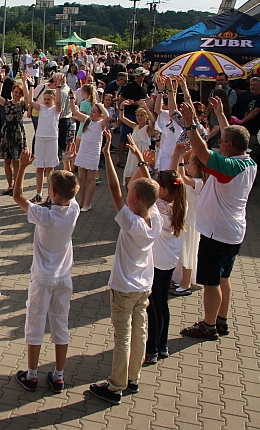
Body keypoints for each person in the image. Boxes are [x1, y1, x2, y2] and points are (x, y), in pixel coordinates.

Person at [90, 130, 161, 405]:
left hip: (124, 288)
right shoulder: (154, 217)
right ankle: (133, 377)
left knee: (123, 337)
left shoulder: (131, 222)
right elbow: (150, 187)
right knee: (139, 331)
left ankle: (116, 385)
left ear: (133, 200)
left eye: (131, 188)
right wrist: (141, 159)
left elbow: (113, 188)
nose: (128, 187)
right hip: (144, 286)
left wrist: (107, 153)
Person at [179, 98, 256, 340]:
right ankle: (221, 320)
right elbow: (228, 137)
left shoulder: (228, 167)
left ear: (230, 145)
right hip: (233, 232)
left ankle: (209, 325)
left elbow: (201, 153)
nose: (219, 144)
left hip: (216, 233)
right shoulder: (248, 161)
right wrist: (222, 115)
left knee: (211, 283)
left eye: (222, 142)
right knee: (224, 278)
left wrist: (190, 124)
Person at [12, 148, 80, 393]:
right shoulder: (74, 210)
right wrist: (67, 164)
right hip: (63, 277)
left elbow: (18, 196)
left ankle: (31, 375)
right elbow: (69, 191)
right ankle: (59, 375)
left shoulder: (44, 215)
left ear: (51, 192)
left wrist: (22, 167)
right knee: (60, 324)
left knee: (35, 322)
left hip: (42, 278)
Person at [143, 152, 187, 365]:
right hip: (168, 261)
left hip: (157, 263)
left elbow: (147, 190)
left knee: (154, 308)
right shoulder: (179, 204)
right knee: (163, 305)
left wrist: (144, 164)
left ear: (163, 189)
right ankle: (163, 345)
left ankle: (152, 349)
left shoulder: (158, 208)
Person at [170, 146, 208, 296]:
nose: (186, 167)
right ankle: (180, 279)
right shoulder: (197, 180)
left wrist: (180, 158)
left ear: (194, 166)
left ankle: (186, 284)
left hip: (192, 221)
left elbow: (182, 179)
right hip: (188, 218)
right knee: (183, 250)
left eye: (188, 164)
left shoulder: (199, 182)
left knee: (188, 251)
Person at [23, 73, 60, 204]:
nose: (46, 101)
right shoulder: (41, 108)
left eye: (49, 99)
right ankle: (39, 193)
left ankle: (51, 195)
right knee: (39, 168)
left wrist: (59, 87)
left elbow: (60, 102)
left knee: (50, 169)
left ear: (54, 100)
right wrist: (30, 85)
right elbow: (29, 101)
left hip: (51, 140)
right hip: (40, 140)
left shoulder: (56, 109)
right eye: (44, 99)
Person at [70, 100, 109, 212]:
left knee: (91, 179)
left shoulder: (101, 124)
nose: (91, 113)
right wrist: (72, 98)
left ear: (100, 114)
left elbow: (107, 116)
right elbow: (74, 111)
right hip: (83, 152)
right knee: (81, 179)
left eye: (94, 112)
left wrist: (100, 105)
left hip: (93, 153)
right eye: (91, 111)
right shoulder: (87, 120)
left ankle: (88, 203)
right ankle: (80, 201)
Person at [0, 80, 27, 195]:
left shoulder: (23, 104)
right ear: (12, 92)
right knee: (6, 161)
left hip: (17, 133)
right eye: (16, 92)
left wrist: (27, 84)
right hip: (6, 132)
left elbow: (29, 100)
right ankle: (10, 185)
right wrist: (2, 81)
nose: (17, 94)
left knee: (17, 162)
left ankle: (18, 185)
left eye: (19, 93)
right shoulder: (7, 103)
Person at [117, 69, 148, 167]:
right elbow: (121, 99)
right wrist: (134, 103)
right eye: (136, 76)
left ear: (144, 76)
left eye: (140, 76)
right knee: (124, 137)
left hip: (141, 115)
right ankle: (121, 159)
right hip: (129, 113)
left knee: (138, 137)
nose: (138, 78)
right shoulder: (129, 86)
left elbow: (145, 97)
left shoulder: (145, 86)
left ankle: (136, 159)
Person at [120, 102, 155, 186]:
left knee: (140, 180)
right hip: (132, 156)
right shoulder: (134, 126)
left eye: (142, 115)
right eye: (138, 115)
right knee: (128, 179)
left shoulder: (147, 128)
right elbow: (122, 118)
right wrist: (122, 106)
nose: (139, 117)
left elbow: (153, 121)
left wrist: (146, 108)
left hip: (142, 154)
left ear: (146, 117)